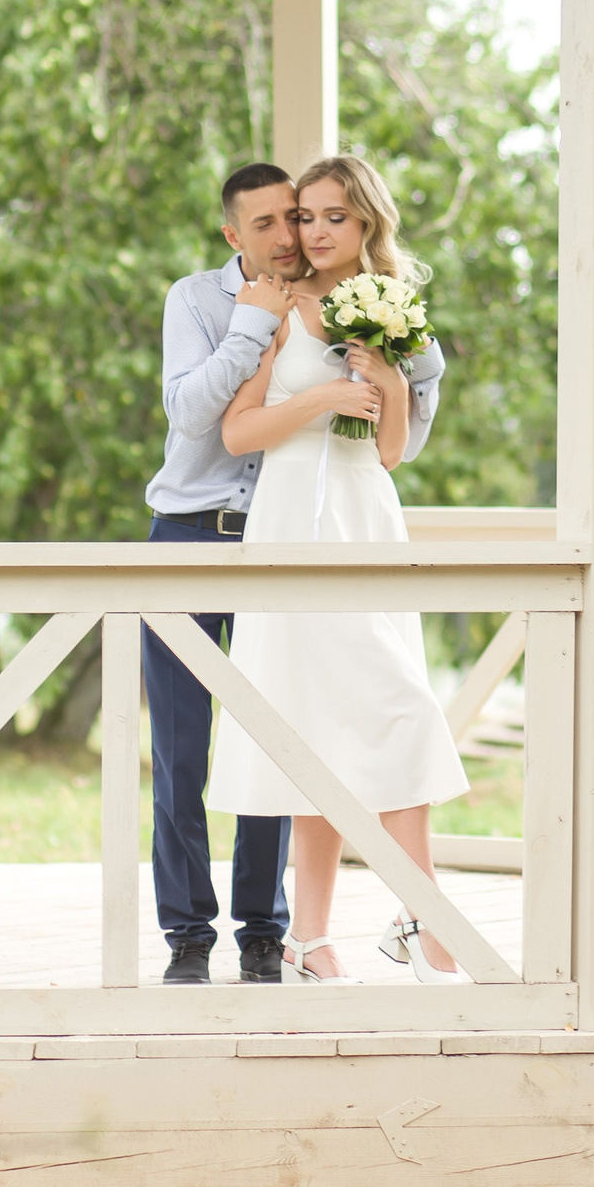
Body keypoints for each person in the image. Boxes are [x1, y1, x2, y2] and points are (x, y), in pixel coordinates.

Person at [143, 162, 447, 985]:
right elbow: (225, 427)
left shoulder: (392, 314)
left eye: (325, 217)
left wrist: (385, 369)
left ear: (365, 226)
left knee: (388, 707)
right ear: (238, 232)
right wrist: (321, 399)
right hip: (260, 524)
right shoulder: (252, 306)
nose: (305, 234)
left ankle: (299, 931)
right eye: (294, 218)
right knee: (214, 742)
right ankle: (209, 936)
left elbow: (393, 450)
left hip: (360, 522)